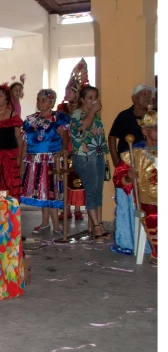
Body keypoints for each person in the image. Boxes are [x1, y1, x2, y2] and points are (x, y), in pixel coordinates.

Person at [20, 89, 69, 234]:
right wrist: (22, 163)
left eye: (43, 100)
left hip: (50, 161)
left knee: (50, 191)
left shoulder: (59, 118)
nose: (39, 103)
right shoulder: (30, 120)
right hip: (34, 161)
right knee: (41, 192)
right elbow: (25, 143)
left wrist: (64, 150)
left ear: (52, 102)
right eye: (38, 99)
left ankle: (56, 226)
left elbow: (64, 136)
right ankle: (45, 222)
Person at [112, 110, 157, 262]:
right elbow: (118, 179)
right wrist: (128, 177)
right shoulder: (134, 153)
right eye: (156, 128)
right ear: (145, 130)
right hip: (147, 200)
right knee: (155, 216)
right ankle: (158, 252)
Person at [69, 86, 111, 239]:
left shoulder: (94, 115)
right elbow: (81, 129)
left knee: (98, 191)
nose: (93, 100)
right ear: (82, 99)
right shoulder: (77, 113)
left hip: (97, 154)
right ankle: (97, 226)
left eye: (95, 97)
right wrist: (93, 111)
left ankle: (98, 224)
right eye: (90, 97)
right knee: (91, 191)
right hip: (84, 156)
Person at [58, 65, 87, 222]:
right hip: (65, 146)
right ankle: (66, 207)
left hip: (78, 147)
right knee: (64, 177)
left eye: (70, 91)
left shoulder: (83, 109)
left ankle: (77, 208)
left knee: (78, 177)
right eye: (66, 90)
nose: (66, 93)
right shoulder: (61, 108)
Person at [108, 84, 156, 167]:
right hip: (128, 162)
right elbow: (112, 137)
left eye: (149, 95)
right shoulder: (124, 116)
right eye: (144, 94)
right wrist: (116, 160)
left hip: (151, 160)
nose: (148, 97)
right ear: (134, 98)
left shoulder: (155, 115)